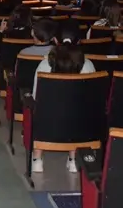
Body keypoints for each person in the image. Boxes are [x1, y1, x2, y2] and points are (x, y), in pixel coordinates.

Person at [32, 41, 94, 175]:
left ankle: (37, 159)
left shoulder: (44, 65)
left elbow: (35, 96)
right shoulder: (88, 65)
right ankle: (73, 159)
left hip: (49, 122)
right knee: (79, 112)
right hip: (81, 125)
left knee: (41, 109)